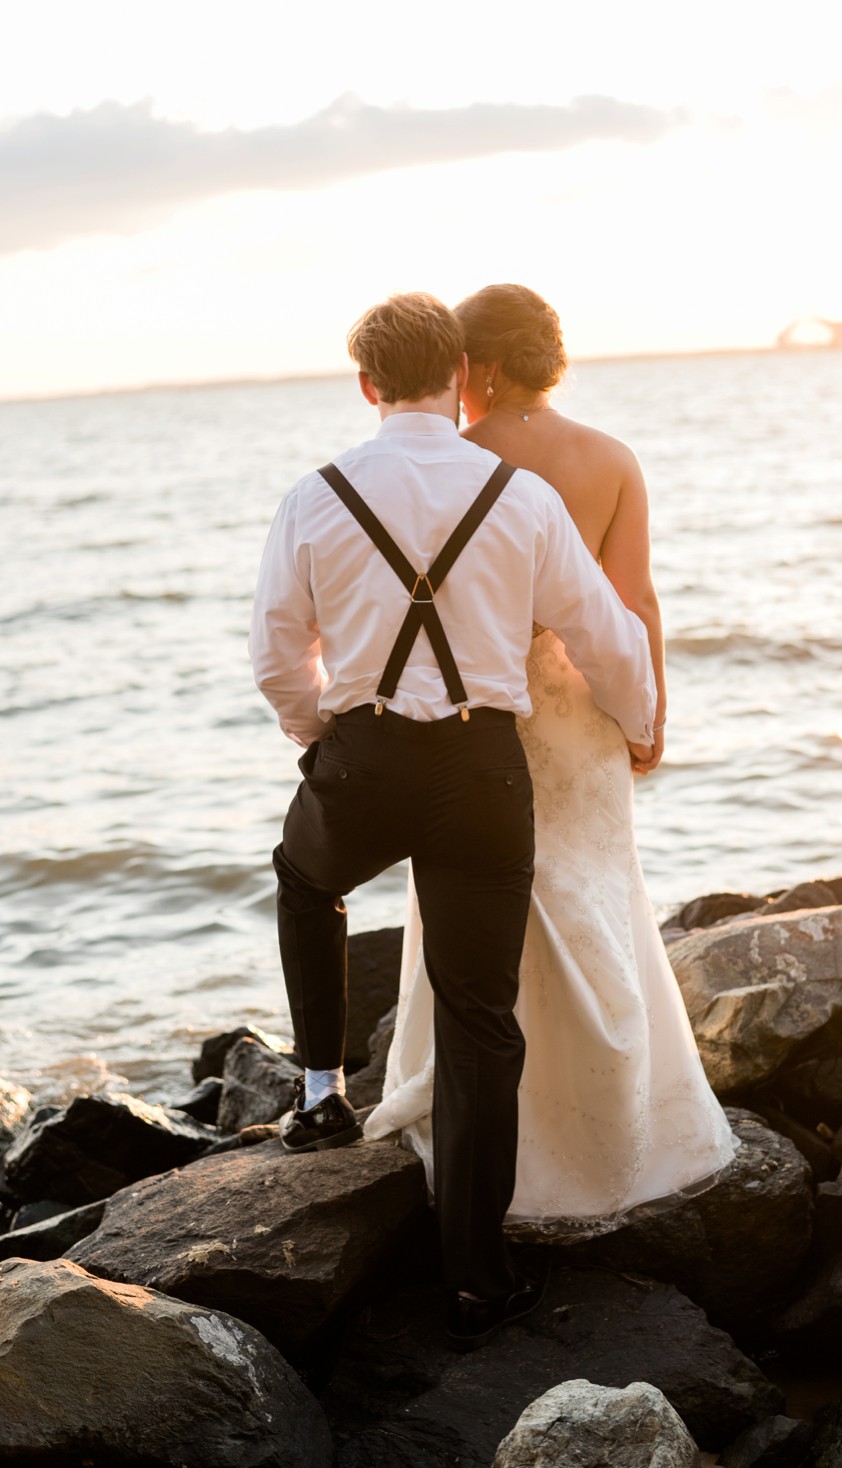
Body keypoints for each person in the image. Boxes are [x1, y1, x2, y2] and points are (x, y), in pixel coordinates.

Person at [249, 292, 657, 1347]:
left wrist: (318, 743)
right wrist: (642, 720)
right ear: (455, 373)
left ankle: (320, 1091)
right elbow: (604, 632)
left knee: (305, 879)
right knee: (481, 1015)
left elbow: (275, 652)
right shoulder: (518, 497)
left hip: (367, 754)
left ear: (368, 386)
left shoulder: (315, 493)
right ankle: (479, 1277)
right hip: (484, 767)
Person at [365, 285, 738, 1229]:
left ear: (477, 368)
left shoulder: (458, 464)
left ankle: (490, 1134)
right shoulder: (612, 458)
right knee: (596, 894)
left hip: (482, 709)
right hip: (582, 710)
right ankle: (625, 1118)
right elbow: (636, 602)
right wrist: (647, 713)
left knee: (471, 905)